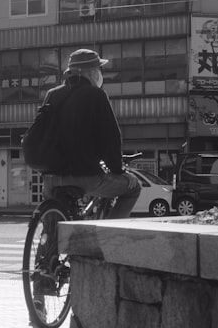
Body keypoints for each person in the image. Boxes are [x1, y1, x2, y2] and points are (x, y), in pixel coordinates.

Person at [38, 48, 141, 215]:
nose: (100, 73)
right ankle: (108, 236)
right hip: (86, 177)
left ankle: (50, 236)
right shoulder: (96, 95)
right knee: (133, 188)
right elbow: (111, 138)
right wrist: (118, 170)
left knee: (55, 213)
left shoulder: (52, 94)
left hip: (51, 178)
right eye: (99, 69)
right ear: (92, 72)